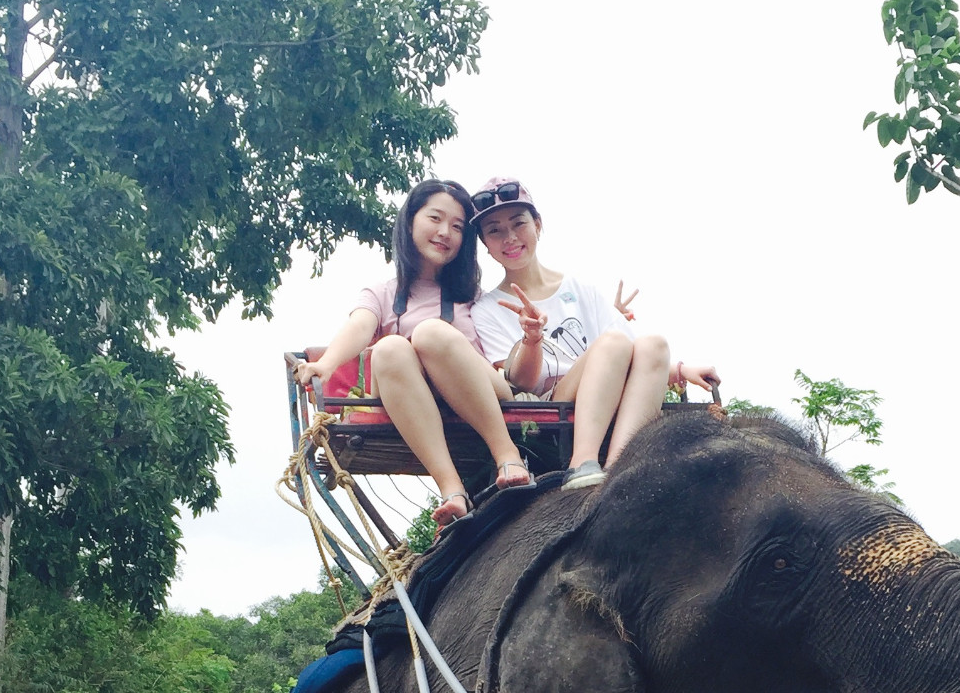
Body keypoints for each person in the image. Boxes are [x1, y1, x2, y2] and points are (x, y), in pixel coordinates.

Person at [293, 178, 531, 530]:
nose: (445, 232)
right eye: (435, 219)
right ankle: (451, 489)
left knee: (431, 333)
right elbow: (360, 326)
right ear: (410, 222)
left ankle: (507, 454)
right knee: (389, 347)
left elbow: (508, 348)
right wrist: (326, 365)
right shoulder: (382, 293)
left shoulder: (476, 296)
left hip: (475, 388)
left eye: (457, 226)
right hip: (410, 395)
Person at [469, 178, 719, 488]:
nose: (509, 237)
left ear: (538, 225)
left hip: (604, 383)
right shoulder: (487, 308)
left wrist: (680, 370)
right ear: (486, 245)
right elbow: (519, 381)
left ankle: (619, 465)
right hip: (551, 397)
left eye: (518, 223)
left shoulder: (581, 290)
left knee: (653, 343)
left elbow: (631, 357)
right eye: (494, 230)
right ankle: (582, 461)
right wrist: (531, 339)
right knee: (614, 342)